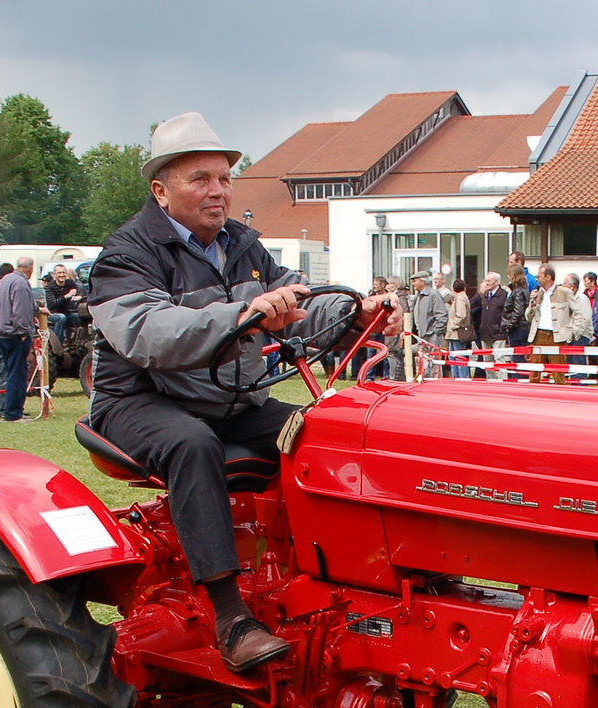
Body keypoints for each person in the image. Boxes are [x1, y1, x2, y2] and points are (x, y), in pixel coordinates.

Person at [85, 112, 397, 671]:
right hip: (140, 400)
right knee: (191, 443)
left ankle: (335, 579)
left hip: (230, 399)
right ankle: (231, 618)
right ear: (160, 190)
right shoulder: (128, 254)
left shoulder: (243, 246)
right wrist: (243, 316)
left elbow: (297, 300)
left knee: (326, 430)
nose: (218, 191)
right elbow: (146, 332)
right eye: (200, 179)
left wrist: (353, 310)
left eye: (225, 178)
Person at [0, 256, 36, 420]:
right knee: (18, 374)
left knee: (9, 372)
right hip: (14, 334)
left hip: (2, 333)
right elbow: (20, 311)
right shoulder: (21, 284)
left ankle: (9, 408)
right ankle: (13, 412)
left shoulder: (7, 279)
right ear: (30, 269)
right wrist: (23, 332)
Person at [408, 270, 448, 378]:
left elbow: (442, 315)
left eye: (415, 281)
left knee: (434, 363)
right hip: (421, 336)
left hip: (432, 336)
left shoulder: (434, 295)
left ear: (423, 282)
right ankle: (425, 381)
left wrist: (436, 332)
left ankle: (435, 382)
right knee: (423, 363)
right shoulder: (418, 296)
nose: (413, 284)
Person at [476, 271, 508, 379]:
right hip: (485, 333)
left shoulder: (504, 295)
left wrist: (502, 328)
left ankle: (503, 381)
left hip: (498, 333)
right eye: (486, 280)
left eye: (489, 281)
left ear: (496, 282)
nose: (486, 283)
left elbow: (506, 314)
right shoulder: (485, 295)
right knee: (487, 361)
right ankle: (491, 382)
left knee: (499, 359)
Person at [44, 263, 85, 346]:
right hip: (53, 314)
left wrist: (79, 296)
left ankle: (77, 343)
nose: (62, 275)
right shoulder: (50, 287)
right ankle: (57, 345)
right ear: (54, 274)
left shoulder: (69, 283)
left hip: (67, 312)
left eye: (63, 272)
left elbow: (79, 291)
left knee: (79, 317)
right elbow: (52, 304)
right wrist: (66, 296)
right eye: (59, 273)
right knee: (61, 318)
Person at [445, 277, 474, 379]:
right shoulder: (461, 297)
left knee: (458, 358)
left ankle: (461, 378)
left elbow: (461, 315)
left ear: (453, 289)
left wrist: (453, 325)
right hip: (454, 333)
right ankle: (457, 378)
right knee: (454, 357)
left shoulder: (460, 298)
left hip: (457, 333)